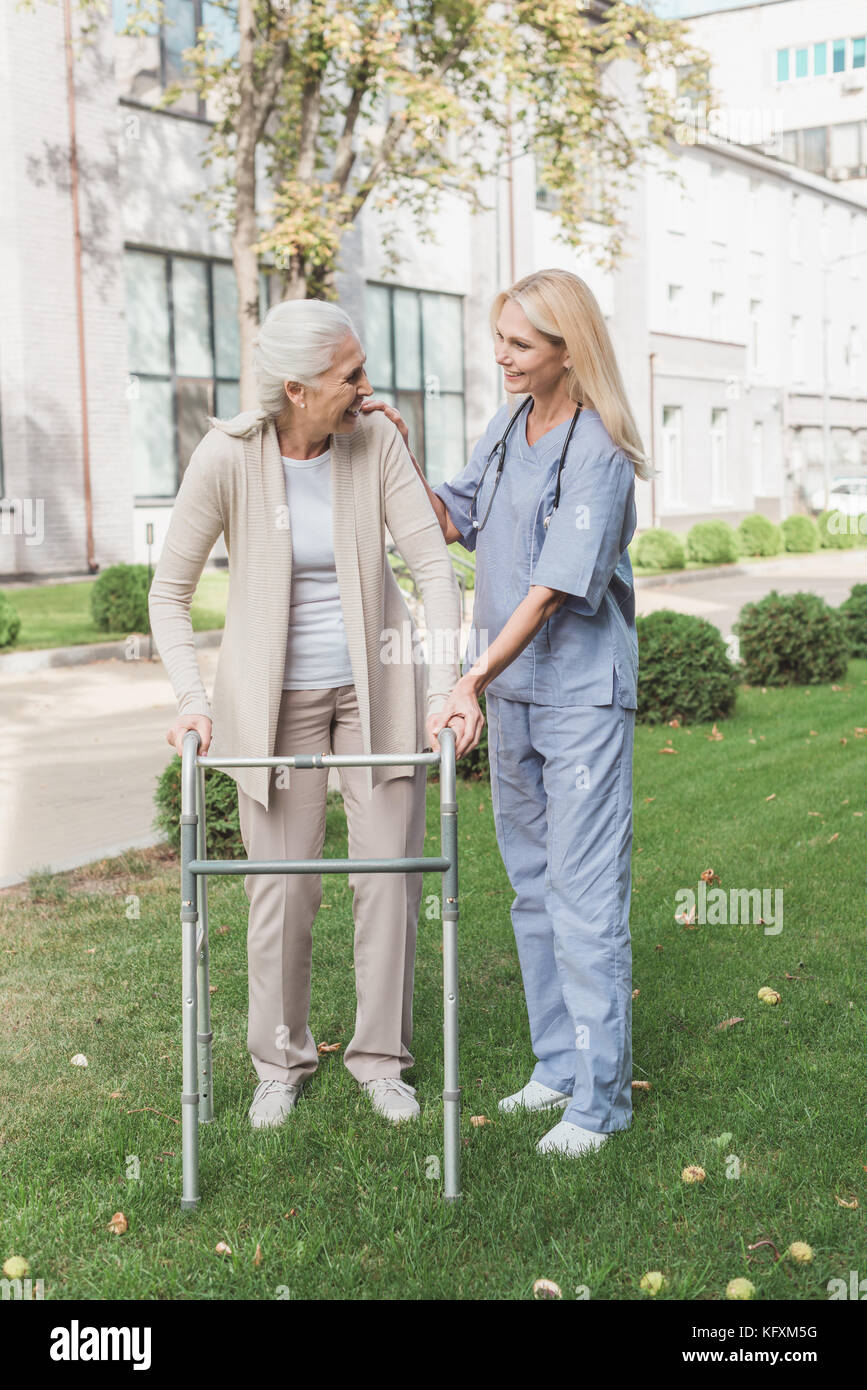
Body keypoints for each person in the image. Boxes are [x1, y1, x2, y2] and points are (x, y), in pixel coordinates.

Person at [149, 299, 462, 1129]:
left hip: (379, 691)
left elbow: (435, 573)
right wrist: (191, 697)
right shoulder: (226, 458)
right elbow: (168, 593)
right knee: (281, 888)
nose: (368, 386)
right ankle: (279, 1063)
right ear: (295, 388)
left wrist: (442, 689)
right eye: (349, 375)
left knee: (387, 878)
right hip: (272, 702)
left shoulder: (376, 440)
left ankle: (380, 1060)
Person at [363, 268, 653, 1157]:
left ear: (570, 349)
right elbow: (448, 518)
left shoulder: (598, 448)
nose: (502, 356)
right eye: (499, 339)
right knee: (531, 889)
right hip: (513, 693)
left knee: (582, 894)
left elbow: (549, 593)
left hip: (576, 697)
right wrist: (398, 448)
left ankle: (600, 1102)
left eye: (521, 344)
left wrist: (465, 680)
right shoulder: (506, 426)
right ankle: (557, 1067)